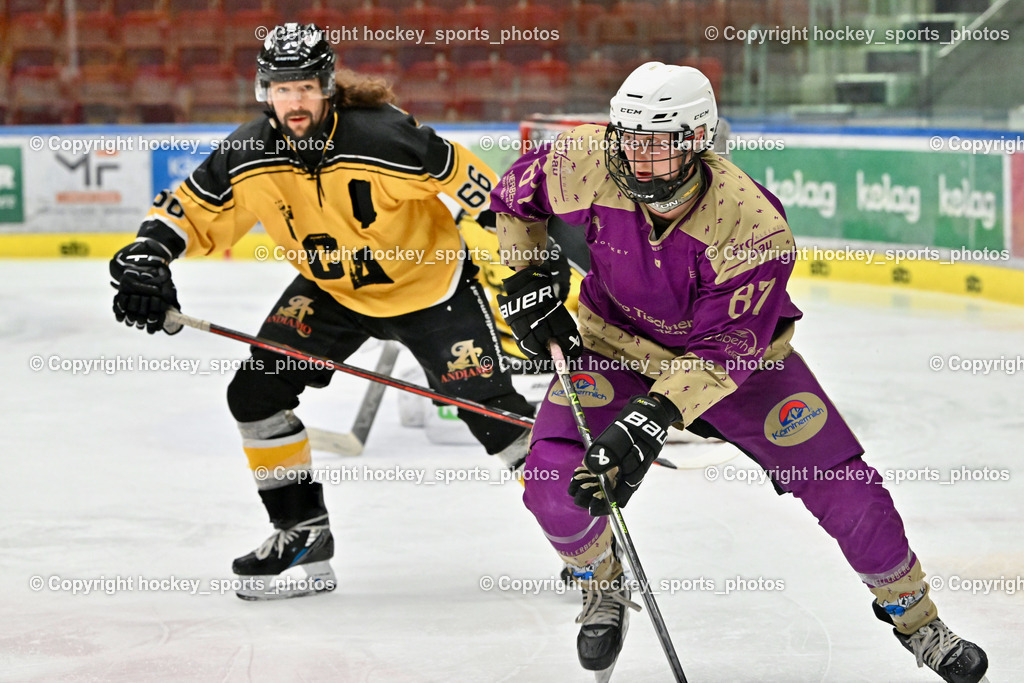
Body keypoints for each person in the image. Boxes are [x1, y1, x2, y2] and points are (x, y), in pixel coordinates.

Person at [491, 62, 988, 681]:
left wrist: (650, 420)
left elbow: (727, 348)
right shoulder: (585, 157)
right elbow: (514, 198)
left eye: (659, 144)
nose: (637, 161)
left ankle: (918, 619)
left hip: (742, 368)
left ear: (699, 141)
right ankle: (602, 577)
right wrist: (526, 276)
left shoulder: (751, 222)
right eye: (629, 139)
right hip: (614, 344)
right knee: (548, 478)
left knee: (847, 487)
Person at [109, 23, 533, 600]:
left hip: (431, 290)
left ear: (327, 85)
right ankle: (301, 530)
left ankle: (585, 544)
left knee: (495, 418)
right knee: (254, 395)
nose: (294, 101)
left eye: (305, 87)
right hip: (333, 294)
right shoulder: (247, 153)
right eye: (281, 89)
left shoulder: (387, 138)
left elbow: (482, 189)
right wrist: (147, 256)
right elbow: (186, 211)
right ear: (264, 92)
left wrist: (532, 263)